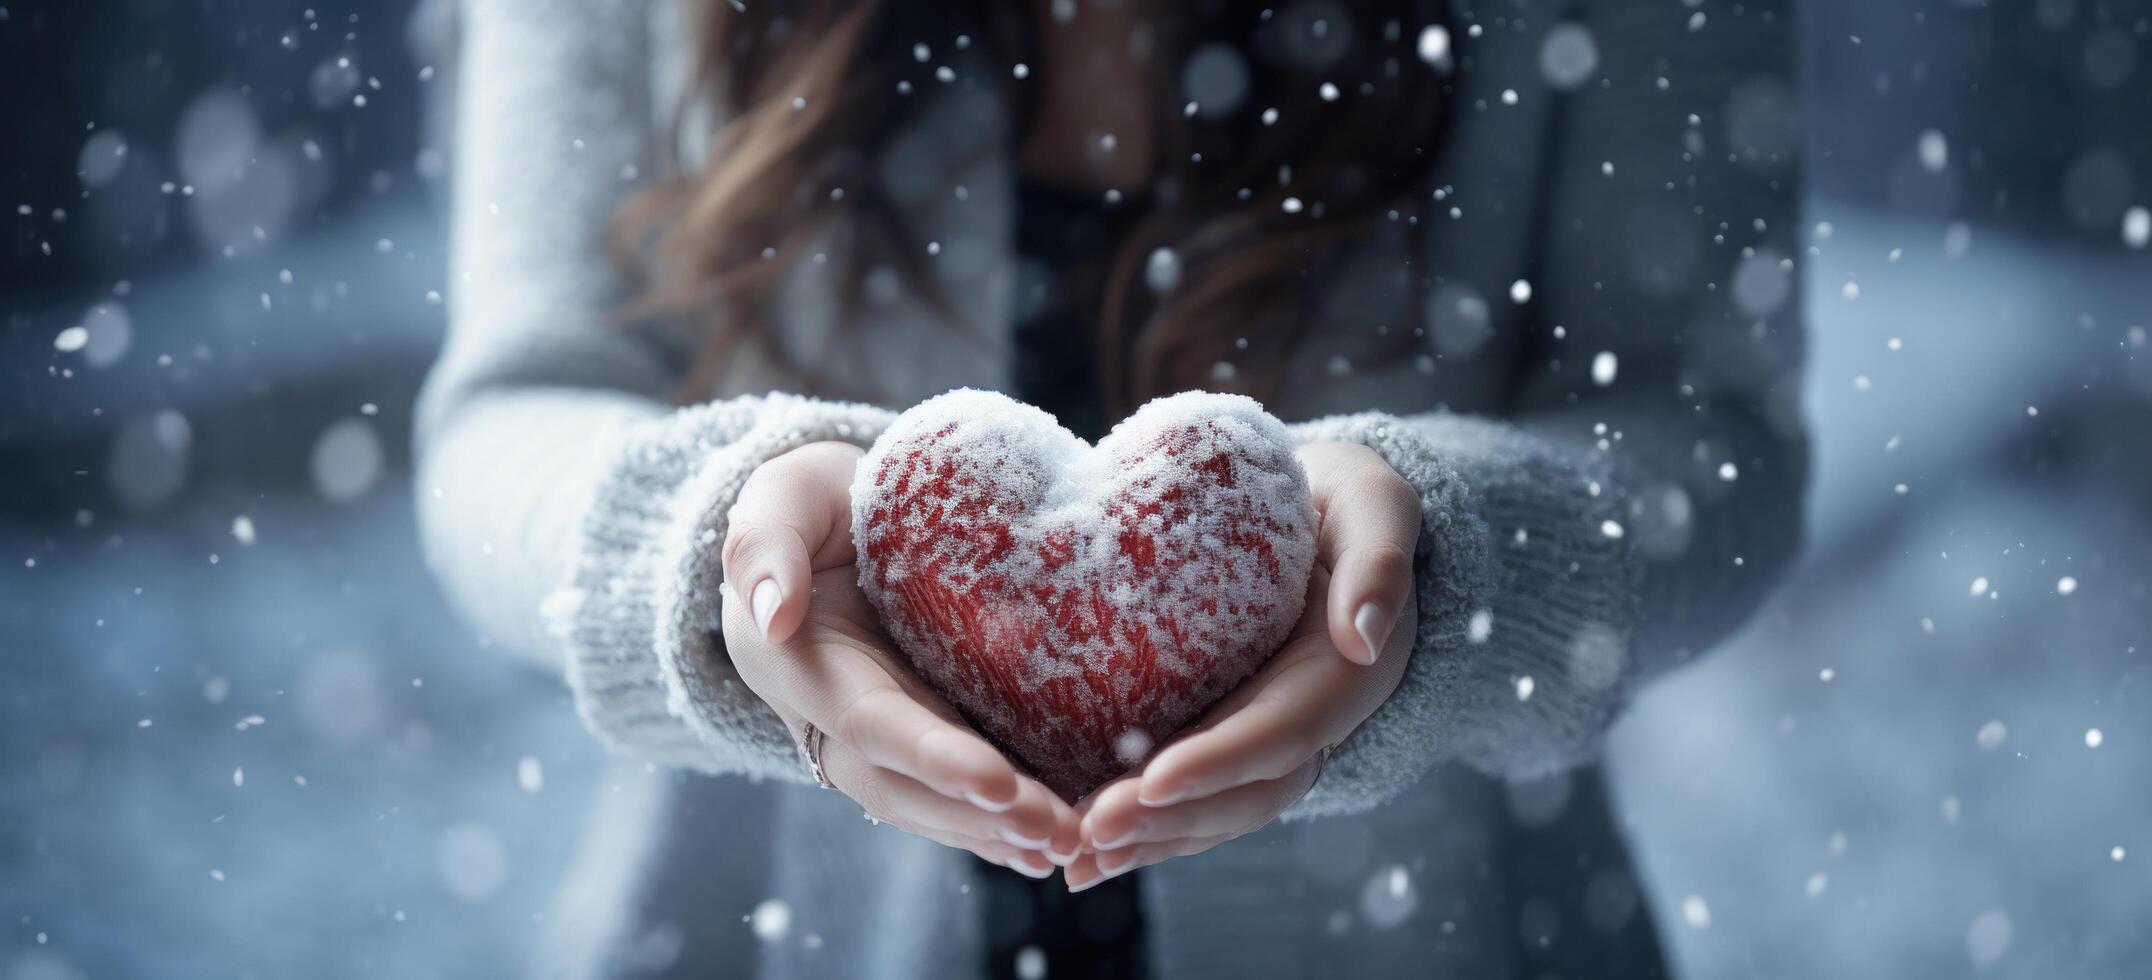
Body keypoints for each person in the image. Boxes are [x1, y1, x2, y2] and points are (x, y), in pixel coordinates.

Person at [417, 0, 1806, 976]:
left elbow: (1716, 431)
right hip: (770, 927)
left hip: (1444, 934)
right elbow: (505, 416)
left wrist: (1460, 557)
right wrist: (717, 539)